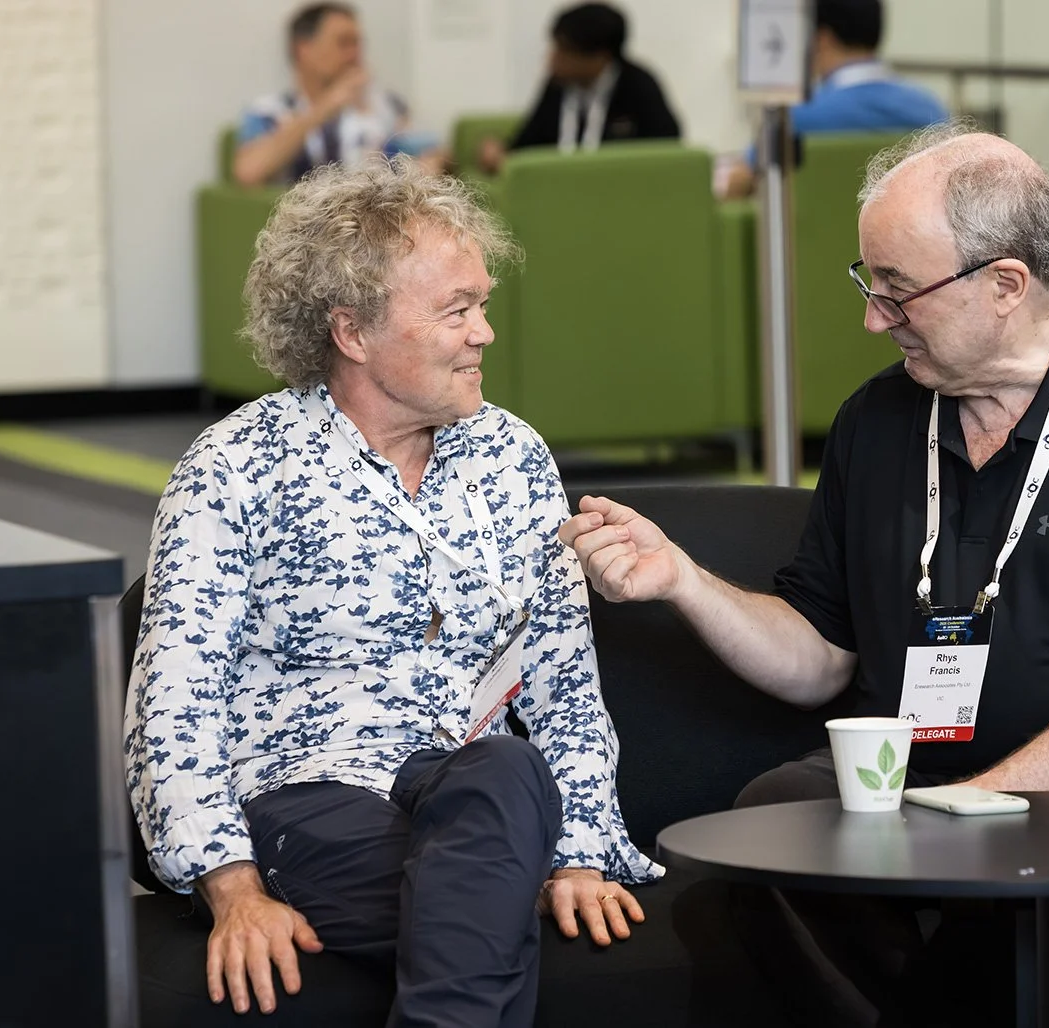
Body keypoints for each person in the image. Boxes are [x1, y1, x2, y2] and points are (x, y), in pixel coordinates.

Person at [561, 122, 1049, 1026]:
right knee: (770, 825)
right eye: (869, 284)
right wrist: (685, 578)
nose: (875, 318)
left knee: (1008, 915)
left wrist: (972, 809)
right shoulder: (878, 421)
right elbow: (819, 656)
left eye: (897, 290)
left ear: (1006, 285)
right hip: (914, 787)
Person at [125, 157, 656, 1028]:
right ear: (352, 331)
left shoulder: (512, 457)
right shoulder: (236, 466)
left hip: (464, 790)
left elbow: (564, 685)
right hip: (302, 798)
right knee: (484, 901)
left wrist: (582, 856)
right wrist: (231, 889)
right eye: (456, 310)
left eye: (482, 304)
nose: (485, 332)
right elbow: (174, 700)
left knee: (509, 772)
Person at [722, 0, 948, 198]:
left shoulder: (798, 116)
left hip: (810, 244)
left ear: (822, 39)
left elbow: (738, 184)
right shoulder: (929, 109)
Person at [233, 3, 443, 187]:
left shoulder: (385, 105)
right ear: (303, 50)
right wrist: (326, 106)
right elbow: (248, 172)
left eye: (358, 43)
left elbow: (433, 152)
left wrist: (427, 167)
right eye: (343, 43)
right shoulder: (271, 111)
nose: (355, 54)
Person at [478, 2, 680, 174]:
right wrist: (499, 151)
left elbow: (667, 152)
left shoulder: (639, 85)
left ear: (600, 57)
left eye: (565, 51)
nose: (552, 60)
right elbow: (527, 144)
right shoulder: (557, 85)